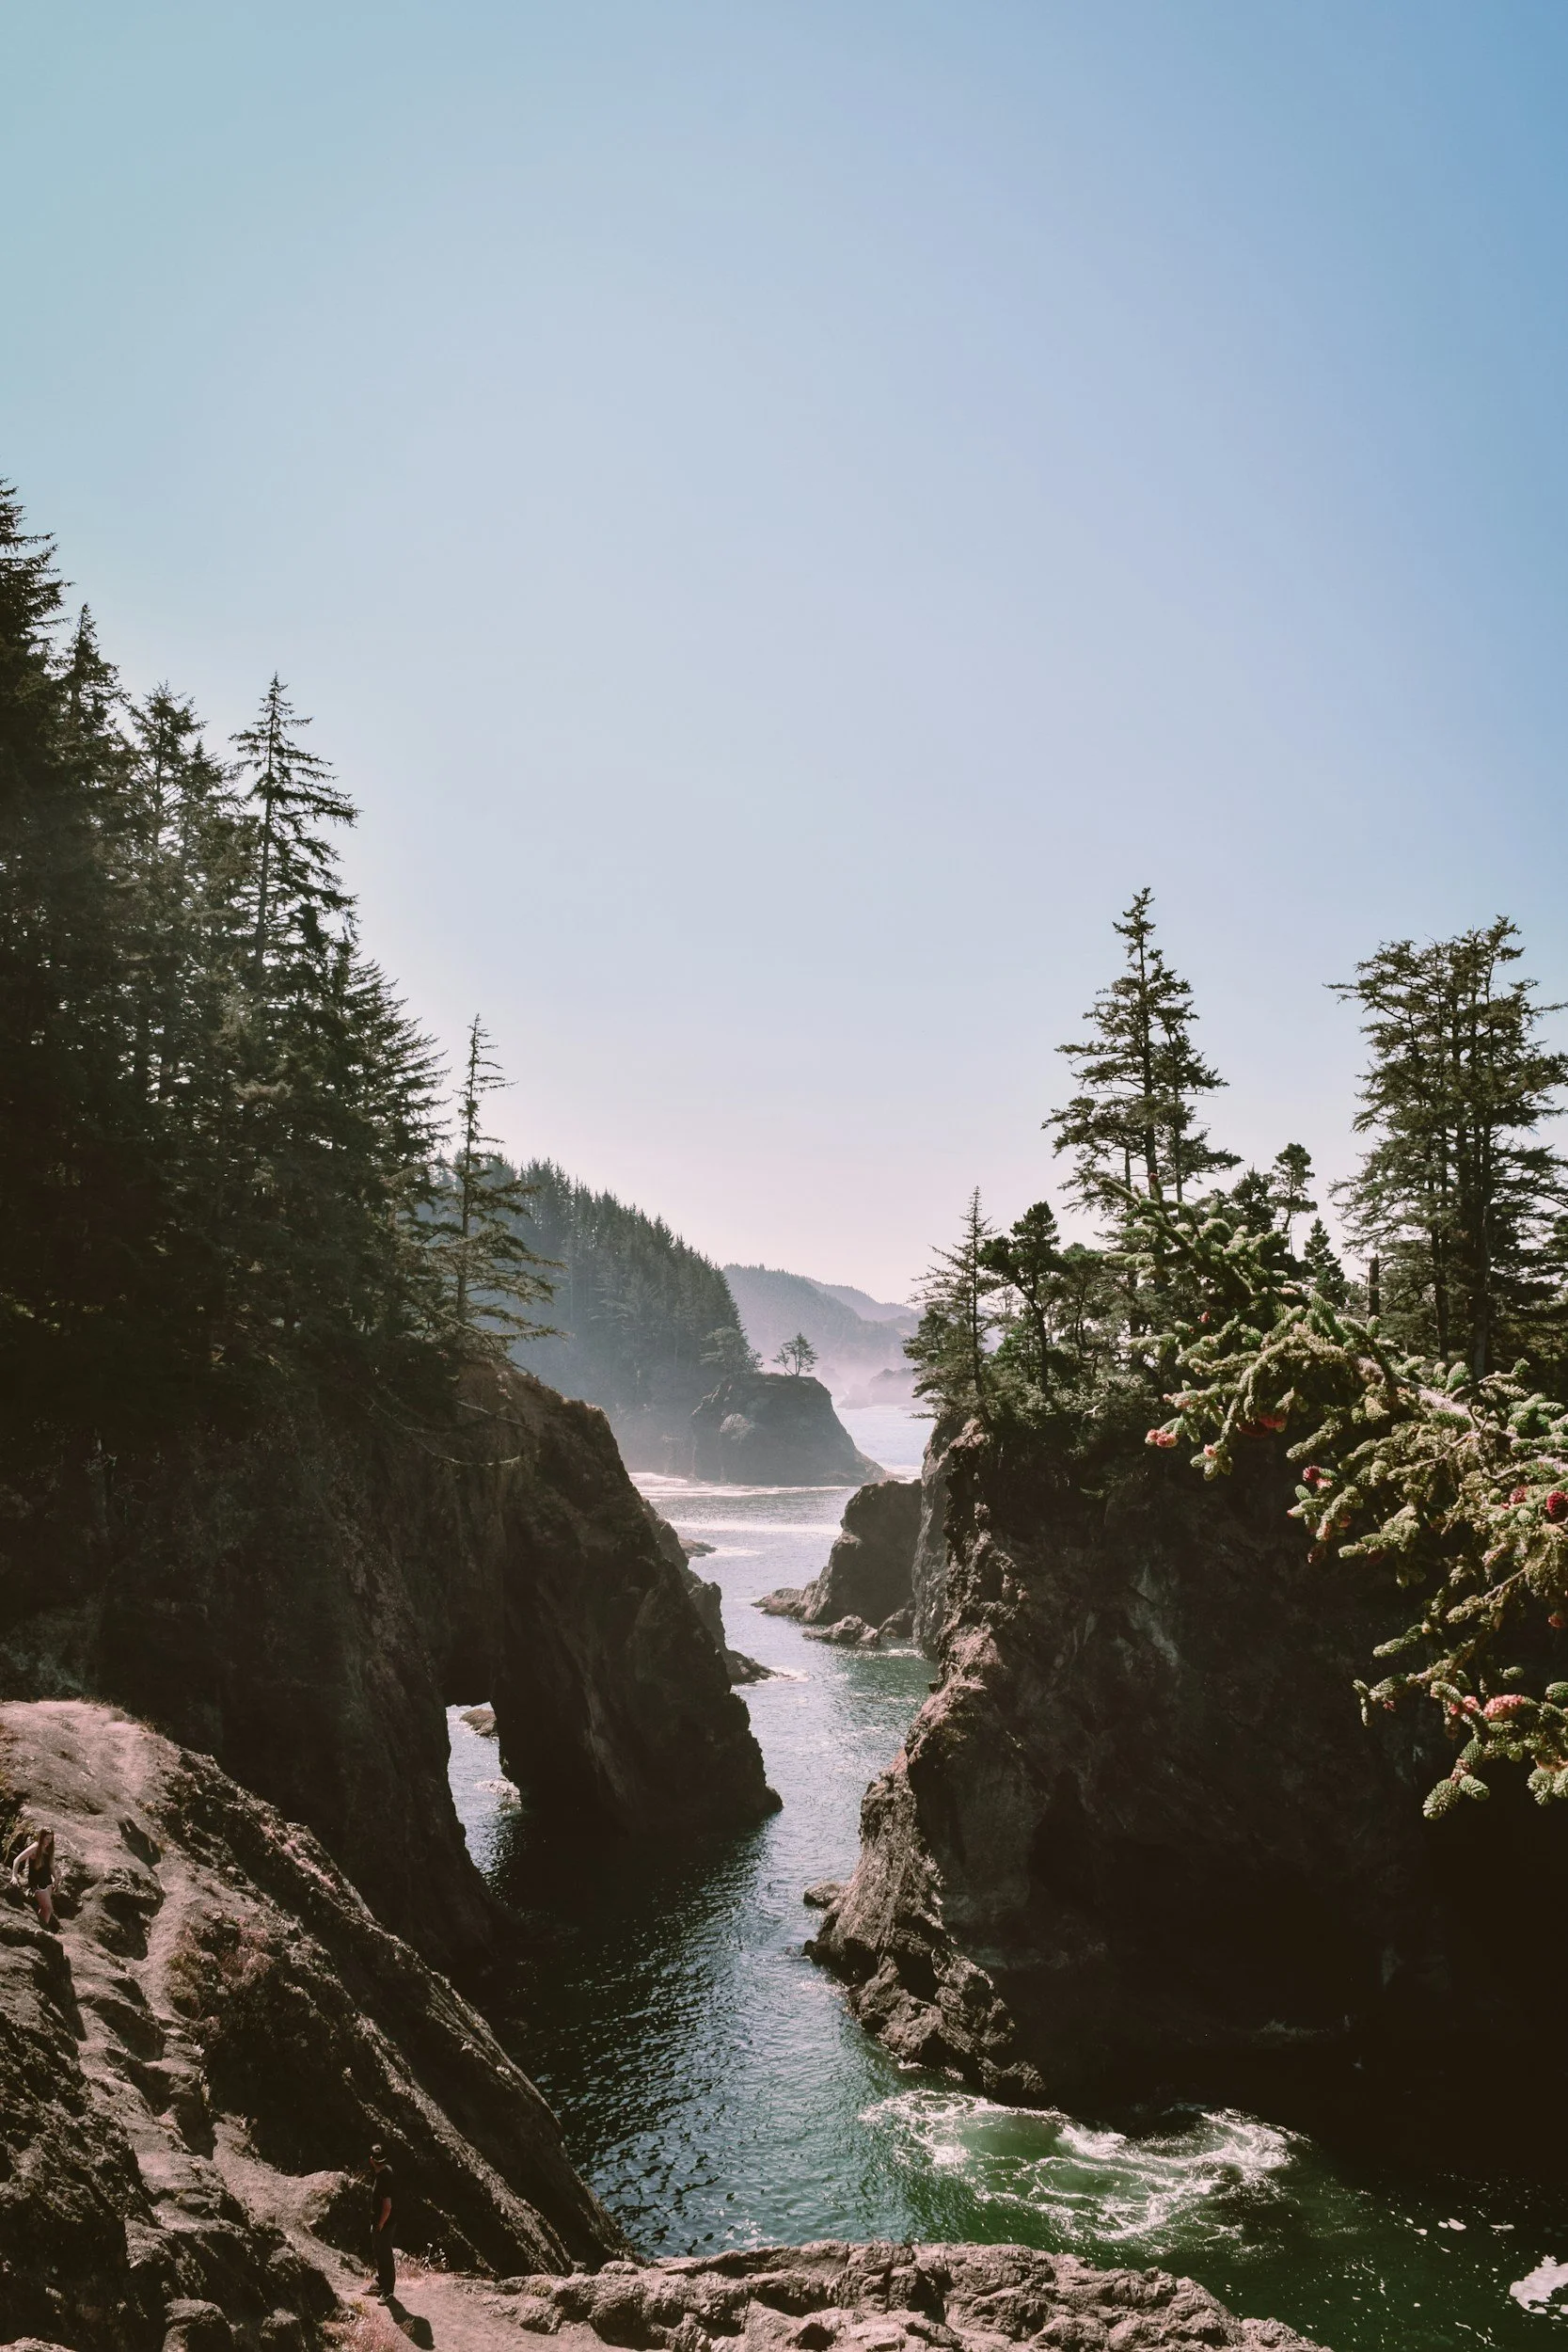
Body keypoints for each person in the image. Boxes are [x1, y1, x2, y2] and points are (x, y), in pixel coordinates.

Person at [367, 2141, 395, 2299]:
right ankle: (380, 2284)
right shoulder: (387, 2171)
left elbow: (387, 2206)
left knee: (385, 2255)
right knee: (380, 2254)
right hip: (384, 2222)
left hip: (385, 2223)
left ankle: (388, 2291)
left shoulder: (382, 2180)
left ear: (372, 2160)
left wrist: (380, 2224)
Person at [10, 1827, 55, 1928]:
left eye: (51, 1839)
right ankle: (45, 1932)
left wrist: (55, 1878)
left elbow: (51, 1866)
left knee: (44, 1908)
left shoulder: (49, 1848)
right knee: (48, 1909)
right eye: (47, 1838)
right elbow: (17, 1860)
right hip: (38, 1883)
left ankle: (42, 1928)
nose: (49, 1841)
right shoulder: (35, 1847)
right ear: (41, 1837)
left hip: (47, 1881)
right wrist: (14, 1876)